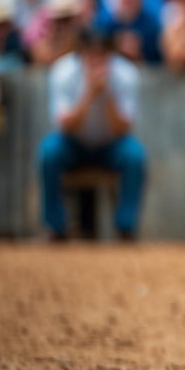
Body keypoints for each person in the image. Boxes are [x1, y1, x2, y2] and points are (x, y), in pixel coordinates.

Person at [37, 26, 146, 241]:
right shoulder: (63, 72)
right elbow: (65, 126)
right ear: (82, 54)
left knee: (135, 155)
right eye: (91, 55)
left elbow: (123, 129)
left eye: (102, 55)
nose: (97, 62)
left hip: (111, 145)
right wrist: (88, 95)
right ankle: (55, 227)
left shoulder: (126, 74)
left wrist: (107, 96)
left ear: (110, 55)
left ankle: (126, 227)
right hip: (73, 144)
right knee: (49, 152)